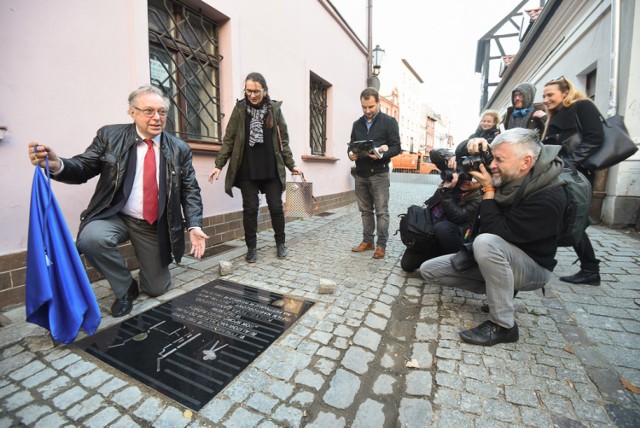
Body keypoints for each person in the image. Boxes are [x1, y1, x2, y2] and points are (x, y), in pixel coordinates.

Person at [28, 85, 208, 318]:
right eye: (148, 111)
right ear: (132, 112)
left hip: (152, 224)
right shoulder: (110, 136)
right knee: (91, 239)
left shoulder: (179, 149)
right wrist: (56, 165)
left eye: (162, 112)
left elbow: (189, 189)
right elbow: (85, 166)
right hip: (115, 214)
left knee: (156, 288)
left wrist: (194, 225)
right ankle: (125, 288)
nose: (157, 118)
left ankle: (149, 275)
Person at [420, 128, 567, 346]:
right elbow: (461, 160)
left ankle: (503, 325)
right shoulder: (513, 174)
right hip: (500, 257)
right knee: (428, 270)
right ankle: (497, 289)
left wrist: (488, 190)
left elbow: (495, 232)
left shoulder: (548, 196)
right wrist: (472, 144)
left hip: (533, 267)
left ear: (525, 162)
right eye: (493, 157)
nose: (492, 165)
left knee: (485, 242)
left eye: (499, 159)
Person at [208, 72, 301, 264]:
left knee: (276, 208)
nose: (252, 95)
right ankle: (251, 248)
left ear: (265, 91)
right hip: (247, 170)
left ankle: (280, 243)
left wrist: (291, 165)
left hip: (270, 168)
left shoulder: (274, 110)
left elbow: (283, 141)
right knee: (250, 209)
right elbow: (229, 139)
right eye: (248, 91)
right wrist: (219, 165)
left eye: (256, 91)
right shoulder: (240, 109)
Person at [541, 76, 604, 285]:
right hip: (562, 172)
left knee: (574, 219)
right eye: (544, 96)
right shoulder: (555, 114)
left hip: (577, 174)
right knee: (565, 217)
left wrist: (569, 163)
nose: (546, 99)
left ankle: (590, 269)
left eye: (550, 94)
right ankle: (588, 268)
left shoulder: (582, 106)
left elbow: (595, 137)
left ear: (566, 92)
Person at [349, 87, 401, 259]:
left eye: (371, 106)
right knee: (365, 211)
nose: (367, 111)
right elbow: (351, 146)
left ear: (378, 103)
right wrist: (351, 154)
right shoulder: (357, 124)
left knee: (381, 211)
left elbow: (396, 147)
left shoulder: (389, 122)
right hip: (361, 173)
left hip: (379, 173)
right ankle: (368, 241)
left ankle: (381, 245)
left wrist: (382, 155)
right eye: (364, 107)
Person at [400, 166, 482, 272]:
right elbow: (430, 206)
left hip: (455, 237)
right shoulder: (453, 186)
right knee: (407, 265)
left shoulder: (479, 198)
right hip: (431, 234)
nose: (467, 181)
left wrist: (446, 192)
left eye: (473, 179)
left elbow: (458, 216)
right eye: (465, 177)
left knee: (442, 228)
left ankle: (452, 259)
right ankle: (436, 255)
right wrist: (445, 186)